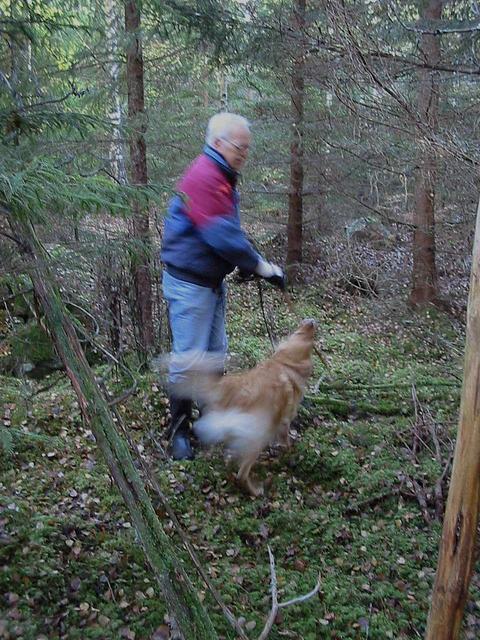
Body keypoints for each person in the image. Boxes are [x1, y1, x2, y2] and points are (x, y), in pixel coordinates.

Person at [161, 112, 285, 460]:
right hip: (189, 284)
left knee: (214, 353)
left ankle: (209, 418)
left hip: (210, 282)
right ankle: (179, 431)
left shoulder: (221, 174)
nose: (244, 152)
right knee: (189, 359)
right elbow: (220, 233)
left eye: (247, 146)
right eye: (239, 145)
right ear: (217, 143)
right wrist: (261, 266)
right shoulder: (205, 175)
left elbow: (223, 232)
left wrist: (242, 264)